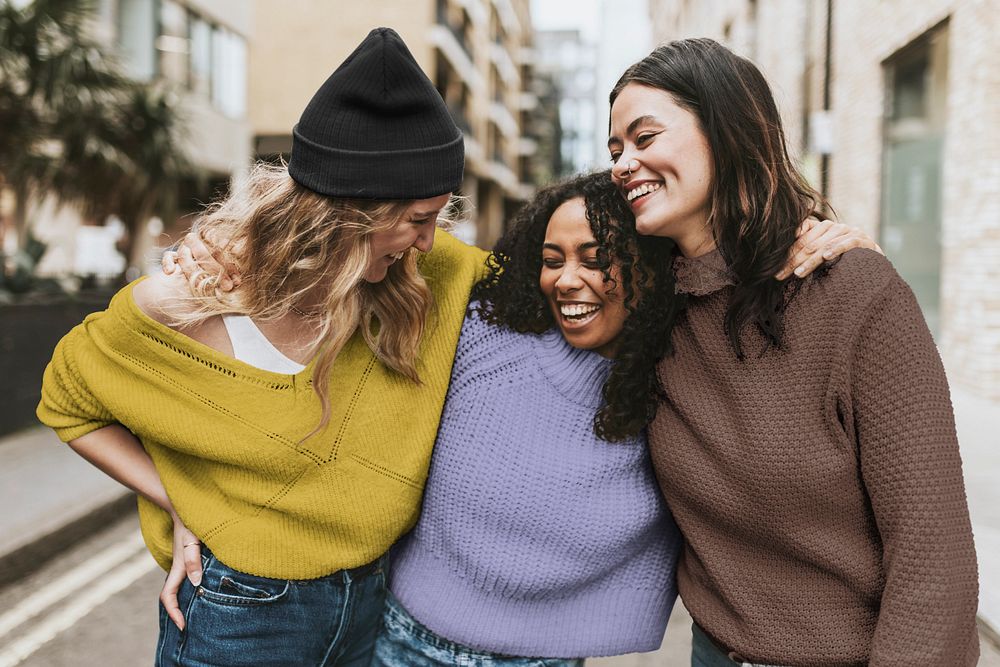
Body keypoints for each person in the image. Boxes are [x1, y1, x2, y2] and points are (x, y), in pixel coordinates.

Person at [36, 27, 488, 666]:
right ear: (352, 212)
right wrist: (176, 498)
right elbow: (67, 405)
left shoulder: (430, 275)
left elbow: (558, 275)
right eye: (417, 219)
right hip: (242, 611)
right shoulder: (185, 298)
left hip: (374, 602)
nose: (426, 241)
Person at [606, 38, 979, 666]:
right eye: (615, 149)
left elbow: (933, 561)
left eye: (644, 138)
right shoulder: (644, 308)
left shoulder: (851, 293)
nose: (622, 164)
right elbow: (514, 268)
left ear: (729, 132)